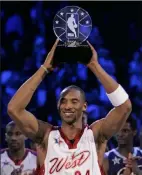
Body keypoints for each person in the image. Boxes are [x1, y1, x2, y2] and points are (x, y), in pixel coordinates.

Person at [7, 39, 132, 175]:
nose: (67, 106)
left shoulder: (96, 135)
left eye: (74, 101)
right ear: (58, 105)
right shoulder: (45, 136)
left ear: (84, 106)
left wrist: (94, 66)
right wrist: (44, 69)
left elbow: (124, 107)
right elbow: (14, 108)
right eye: (63, 101)